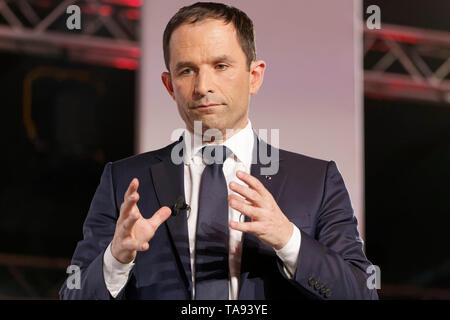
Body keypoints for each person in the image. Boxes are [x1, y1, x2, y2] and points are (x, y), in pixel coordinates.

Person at [59, 2, 378, 300]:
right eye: (186, 71)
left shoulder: (316, 181)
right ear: (170, 86)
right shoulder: (124, 180)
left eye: (221, 65)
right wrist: (115, 259)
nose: (202, 86)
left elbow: (362, 292)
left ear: (254, 76)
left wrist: (288, 239)